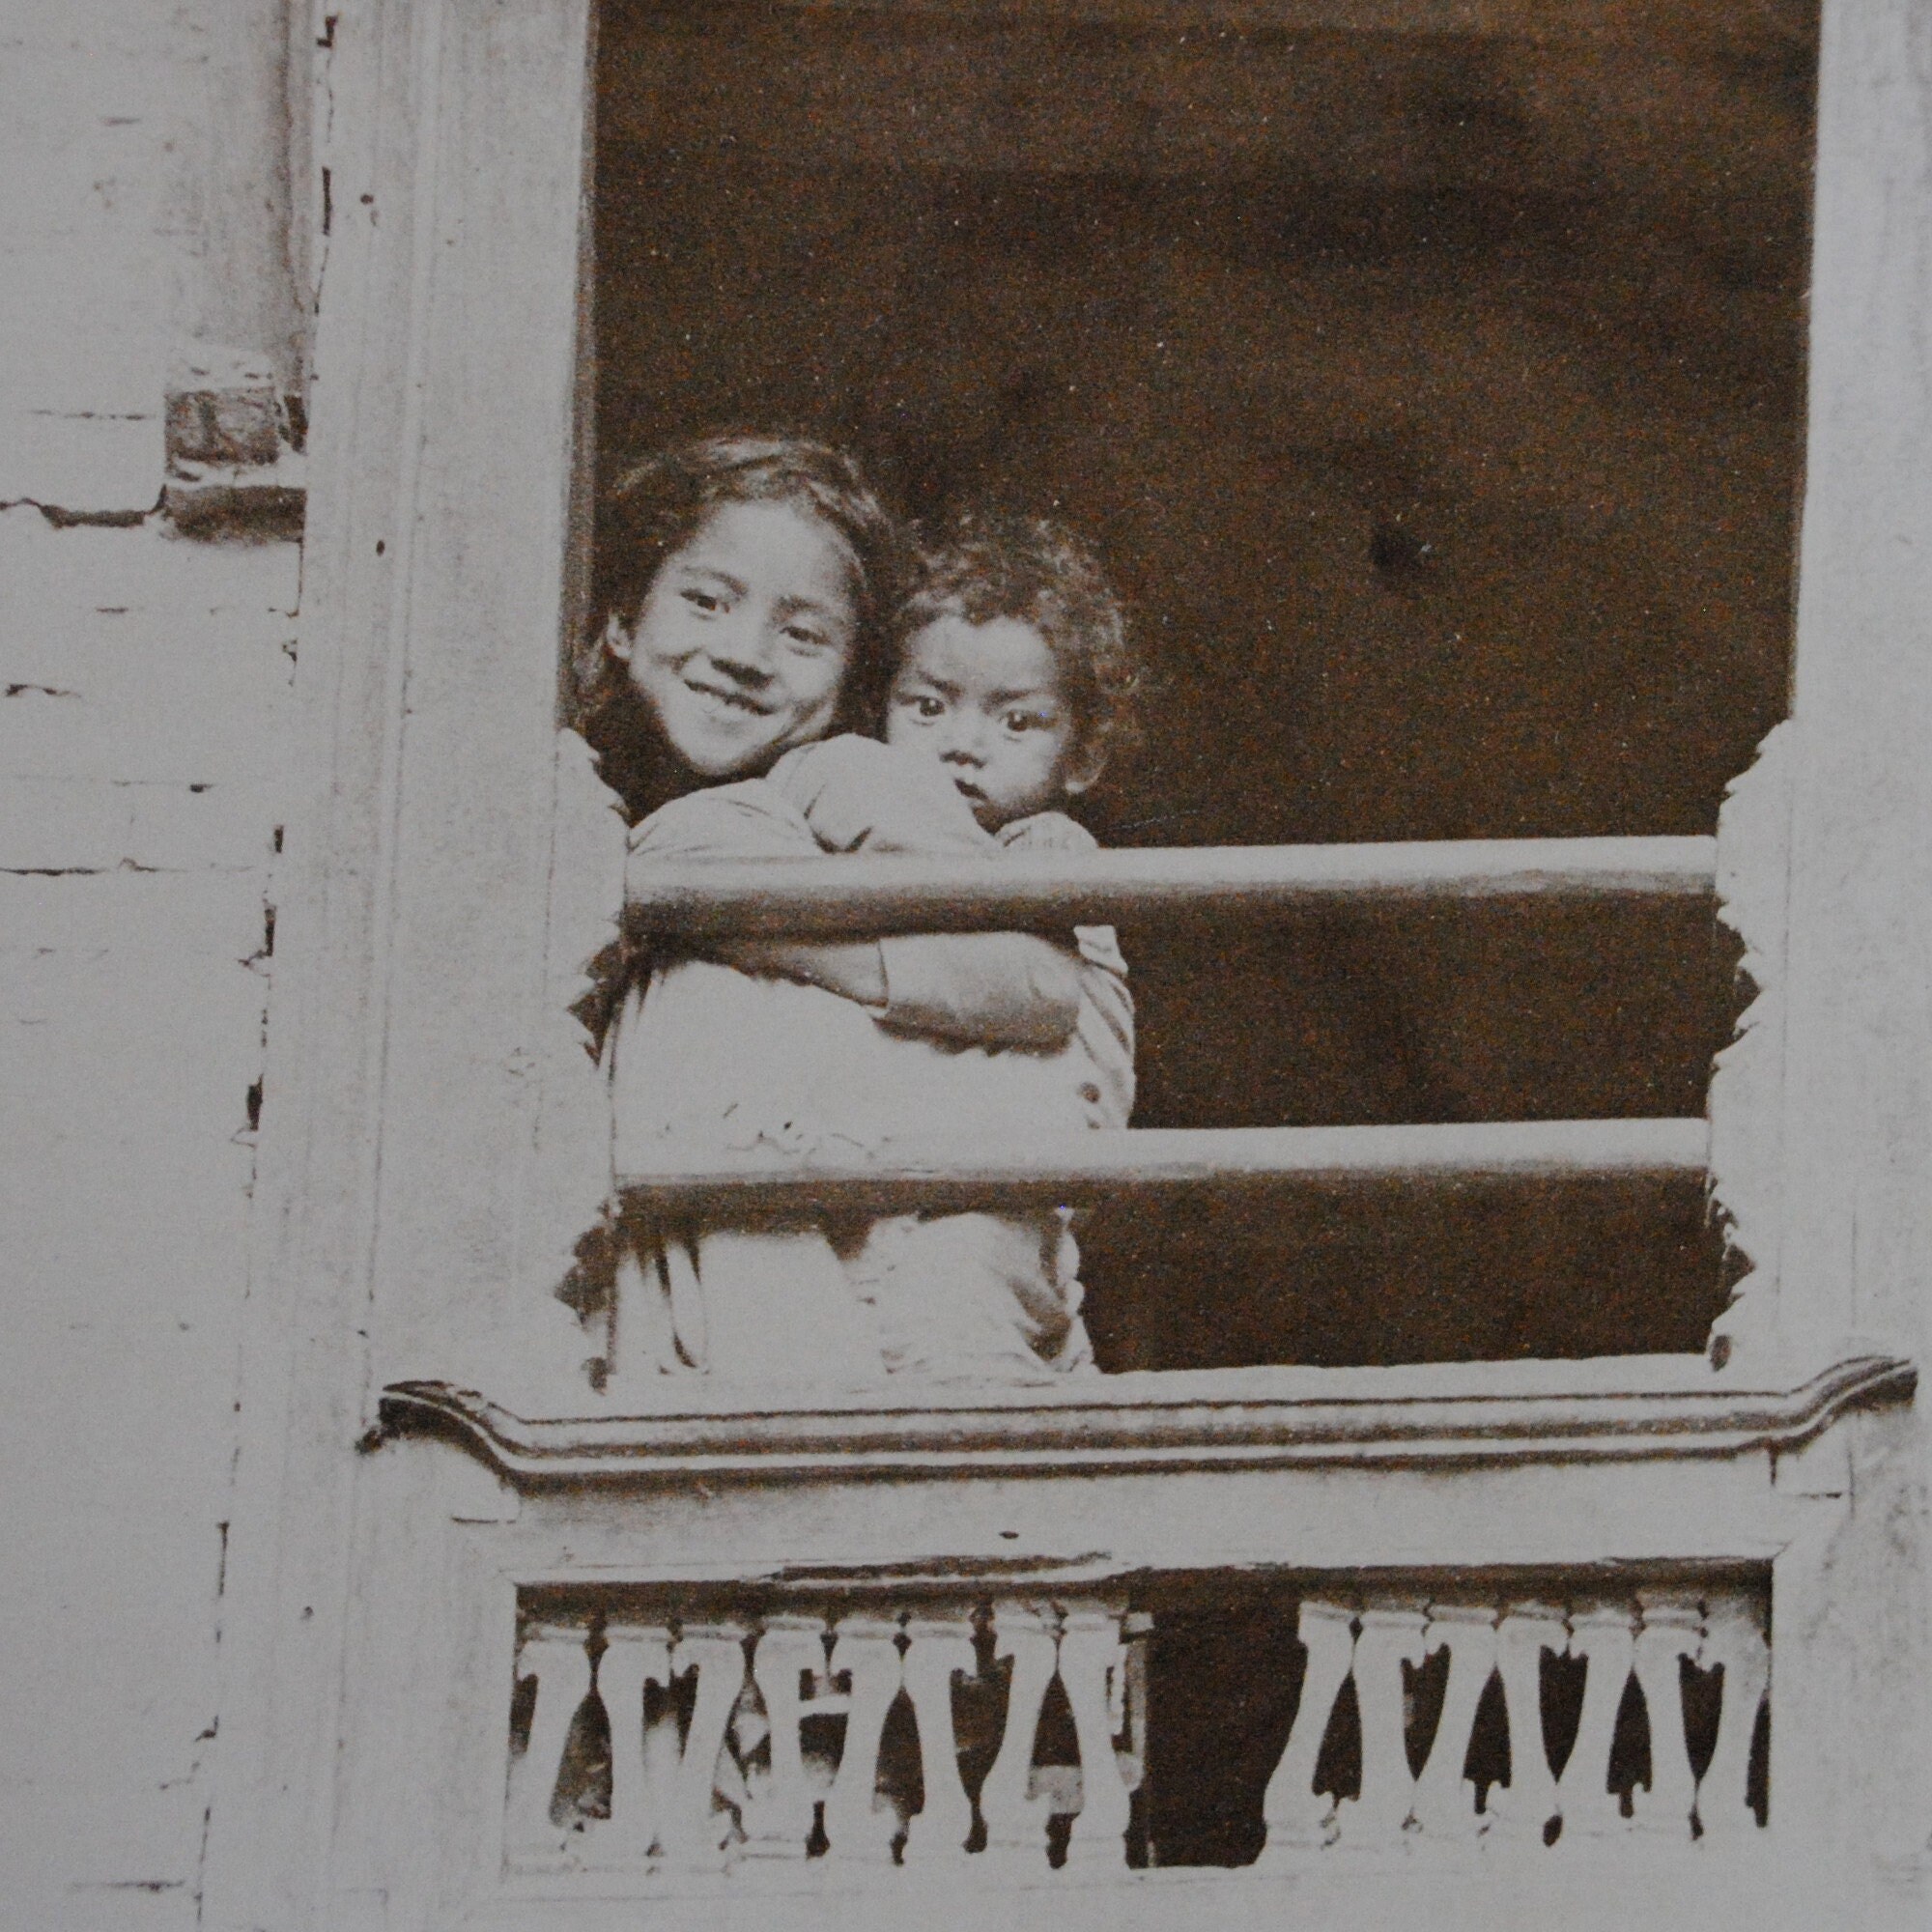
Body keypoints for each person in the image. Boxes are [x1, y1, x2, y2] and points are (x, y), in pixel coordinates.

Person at [580, 438, 1090, 1388]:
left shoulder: (847, 775)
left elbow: (1034, 975)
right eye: (703, 599)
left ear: (850, 674)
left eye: (801, 634)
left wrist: (762, 932)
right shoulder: (583, 788)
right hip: (673, 1233)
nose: (740, 654)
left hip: (816, 1226)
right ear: (619, 618)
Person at [846, 511, 1142, 1381]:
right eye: (929, 707)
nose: (962, 746)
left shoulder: (1049, 852)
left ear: (1081, 755)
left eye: (1016, 723)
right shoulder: (868, 827)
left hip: (998, 1203)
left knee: (967, 1337)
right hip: (903, 1186)